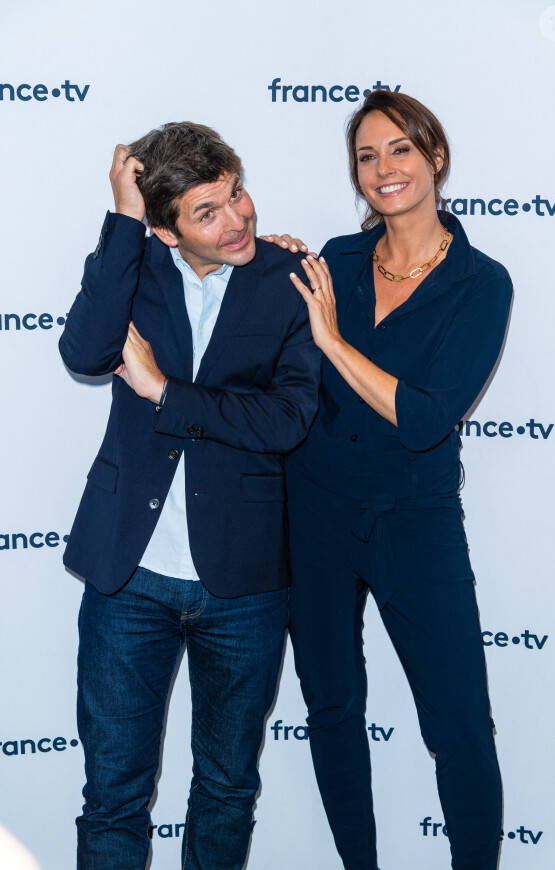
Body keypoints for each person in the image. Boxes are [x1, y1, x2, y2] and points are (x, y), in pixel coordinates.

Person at [59, 122, 319, 870]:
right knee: (113, 796)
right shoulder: (131, 263)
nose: (237, 218)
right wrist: (122, 219)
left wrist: (166, 394)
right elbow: (83, 352)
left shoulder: (291, 279)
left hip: (244, 582)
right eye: (208, 212)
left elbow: (289, 419)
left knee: (227, 787)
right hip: (127, 576)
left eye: (236, 193)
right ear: (168, 231)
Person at [276, 91, 513, 869]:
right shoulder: (335, 262)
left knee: (459, 726)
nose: (384, 169)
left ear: (435, 158)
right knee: (333, 708)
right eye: (368, 156)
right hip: (313, 513)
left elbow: (423, 418)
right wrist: (256, 259)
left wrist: (333, 340)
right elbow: (245, 319)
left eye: (401, 150)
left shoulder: (483, 283)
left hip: (415, 517)